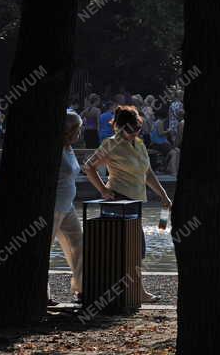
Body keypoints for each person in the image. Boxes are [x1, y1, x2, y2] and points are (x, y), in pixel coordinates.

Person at [82, 105, 172, 302]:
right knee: (127, 248)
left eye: (137, 129)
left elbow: (147, 172)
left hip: (136, 201)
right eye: (129, 130)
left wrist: (163, 194)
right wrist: (103, 190)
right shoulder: (110, 144)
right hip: (118, 201)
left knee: (137, 249)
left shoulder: (139, 143)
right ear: (117, 127)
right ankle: (133, 291)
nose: (133, 134)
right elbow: (88, 167)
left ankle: (133, 290)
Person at [49, 111, 84, 304]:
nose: (80, 133)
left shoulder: (69, 148)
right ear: (69, 130)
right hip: (54, 207)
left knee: (79, 243)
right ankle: (41, 293)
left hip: (67, 206)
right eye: (78, 129)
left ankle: (81, 288)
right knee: (43, 249)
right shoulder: (55, 149)